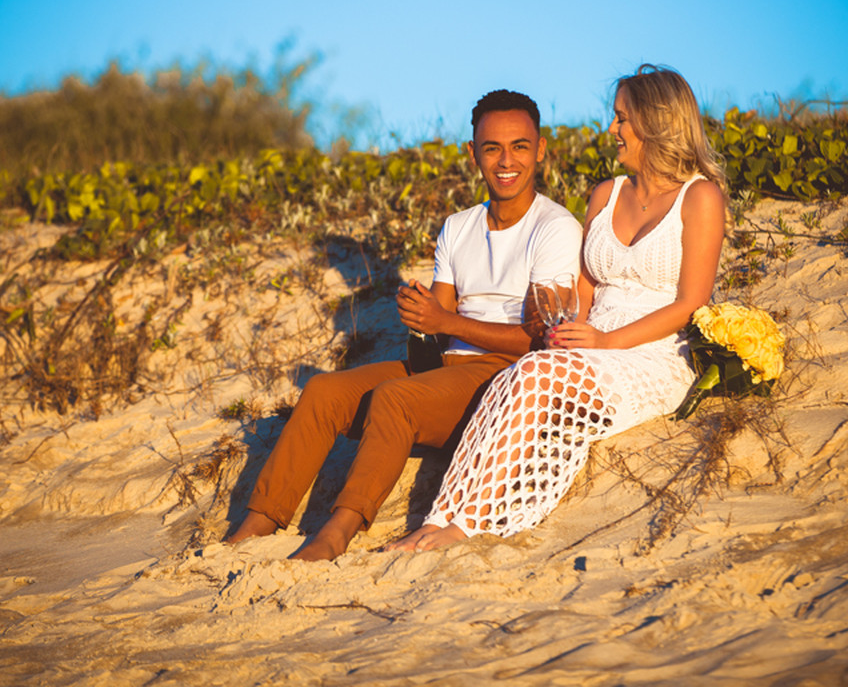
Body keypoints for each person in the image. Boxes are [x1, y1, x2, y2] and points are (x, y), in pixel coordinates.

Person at [224, 89, 584, 561]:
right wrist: (419, 317)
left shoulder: (554, 227)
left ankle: (337, 531)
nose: (506, 160)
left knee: (395, 399)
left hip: (505, 377)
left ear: (540, 150)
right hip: (446, 368)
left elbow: (537, 342)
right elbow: (435, 333)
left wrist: (444, 319)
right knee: (324, 391)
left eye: (519, 146)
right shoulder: (458, 227)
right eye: (491, 147)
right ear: (472, 153)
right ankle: (259, 521)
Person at [387, 65, 727, 552]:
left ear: (654, 122)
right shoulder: (606, 195)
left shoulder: (700, 196)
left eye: (621, 119)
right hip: (594, 338)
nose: (612, 130)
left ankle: (464, 523)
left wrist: (606, 342)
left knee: (535, 378)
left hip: (655, 351)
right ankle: (444, 515)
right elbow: (584, 289)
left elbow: (691, 302)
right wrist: (566, 326)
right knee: (521, 372)